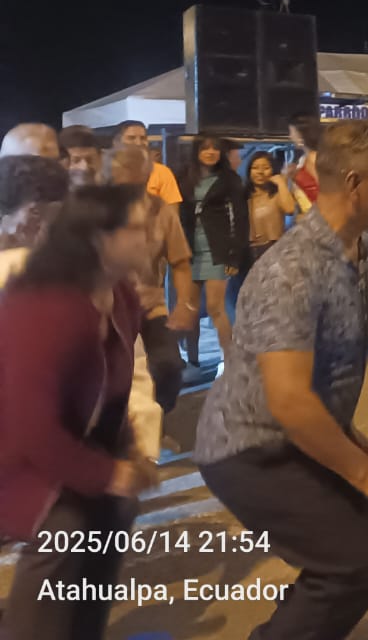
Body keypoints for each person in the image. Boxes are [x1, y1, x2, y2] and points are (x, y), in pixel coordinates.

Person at [195, 120, 368, 640]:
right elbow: (289, 400)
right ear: (354, 183)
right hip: (250, 449)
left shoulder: (362, 252)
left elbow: (333, 363)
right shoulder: (292, 269)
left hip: (296, 438)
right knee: (355, 565)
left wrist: (345, 435)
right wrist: (366, 474)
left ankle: (301, 618)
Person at [0, 185, 159, 640]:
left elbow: (115, 389)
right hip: (18, 450)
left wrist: (129, 454)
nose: (150, 237)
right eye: (137, 228)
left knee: (115, 510)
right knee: (63, 526)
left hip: (65, 444)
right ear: (98, 238)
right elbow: (29, 427)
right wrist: (106, 474)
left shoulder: (119, 295)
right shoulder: (48, 307)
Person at [108, 146, 200, 414]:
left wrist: (185, 304)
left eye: (138, 173)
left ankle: (158, 419)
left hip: (149, 305)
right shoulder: (95, 209)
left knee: (168, 367)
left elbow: (180, 262)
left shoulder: (162, 211)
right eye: (124, 172)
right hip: (107, 308)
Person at [178, 135, 249, 364]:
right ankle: (192, 361)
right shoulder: (185, 176)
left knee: (215, 308)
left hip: (217, 250)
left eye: (215, 149)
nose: (210, 152)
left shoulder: (229, 179)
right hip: (189, 249)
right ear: (196, 151)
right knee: (190, 307)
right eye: (205, 148)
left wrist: (234, 255)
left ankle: (229, 360)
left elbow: (241, 219)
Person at [244, 150, 297, 266]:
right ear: (249, 171)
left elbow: (290, 209)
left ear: (273, 170)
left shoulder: (277, 194)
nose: (260, 172)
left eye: (266, 168)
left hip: (274, 249)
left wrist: (281, 183)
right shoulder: (244, 196)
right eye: (255, 168)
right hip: (249, 252)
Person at [114, 120, 184, 205]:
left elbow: (172, 210)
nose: (138, 143)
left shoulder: (161, 172)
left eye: (143, 138)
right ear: (117, 143)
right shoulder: (107, 172)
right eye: (131, 138)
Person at [288, 112, 323, 210]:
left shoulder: (313, 158)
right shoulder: (304, 158)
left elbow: (324, 189)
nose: (290, 136)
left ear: (300, 134)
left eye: (292, 132)